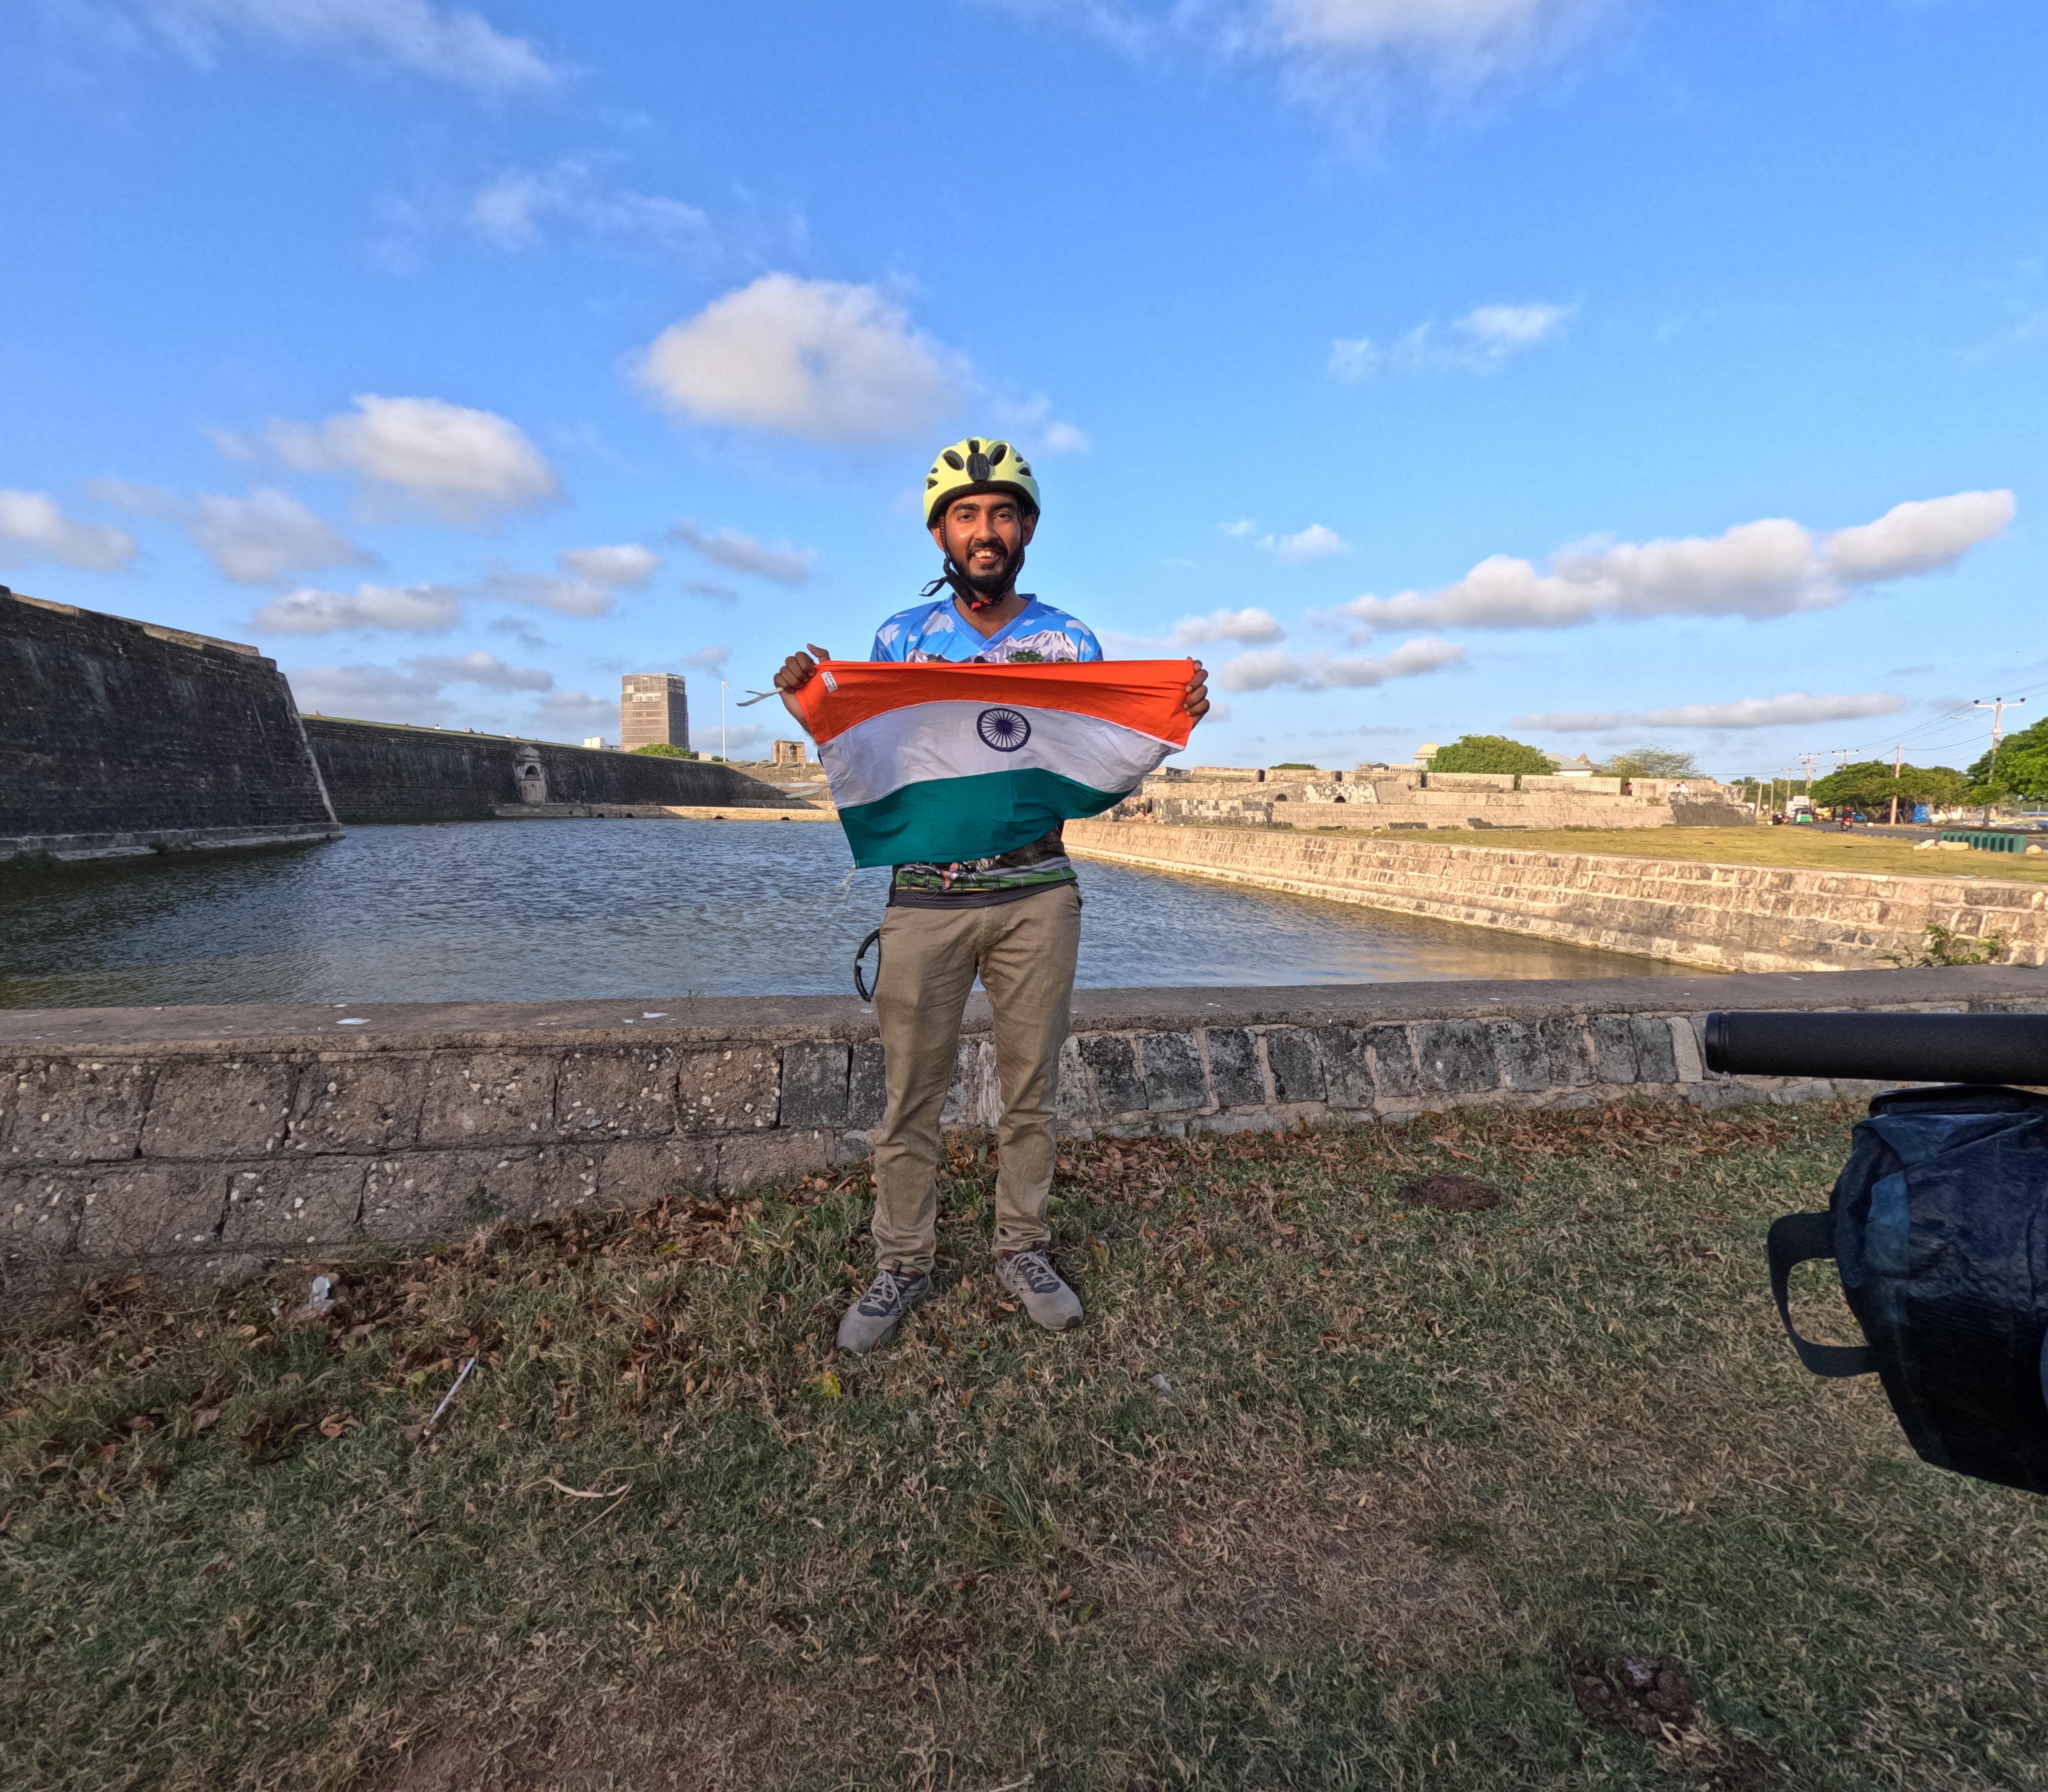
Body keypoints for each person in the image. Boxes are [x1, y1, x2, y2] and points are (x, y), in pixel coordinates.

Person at [774, 437, 1209, 1353]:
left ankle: (1022, 1246)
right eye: (967, 514)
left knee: (1030, 1092)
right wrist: (814, 704)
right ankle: (902, 1261)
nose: (987, 530)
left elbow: (1094, 754)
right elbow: (876, 755)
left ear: (1028, 530)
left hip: (1036, 896)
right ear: (941, 531)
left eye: (1004, 514)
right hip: (924, 903)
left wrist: (1165, 711)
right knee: (911, 1097)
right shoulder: (901, 641)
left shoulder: (1068, 643)